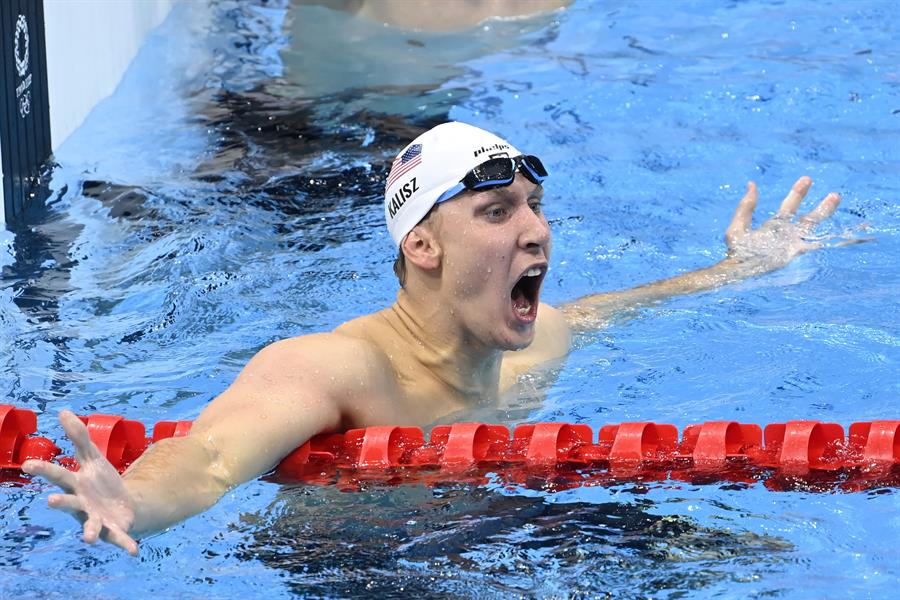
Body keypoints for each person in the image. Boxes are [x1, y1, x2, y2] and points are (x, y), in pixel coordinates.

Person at [22, 121, 845, 555]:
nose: (537, 231)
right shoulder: (341, 367)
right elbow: (207, 456)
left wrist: (733, 271)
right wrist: (138, 501)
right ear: (422, 246)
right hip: (349, 566)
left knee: (732, 556)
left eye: (535, 208)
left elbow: (611, 308)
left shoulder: (540, 340)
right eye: (497, 212)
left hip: (490, 528)